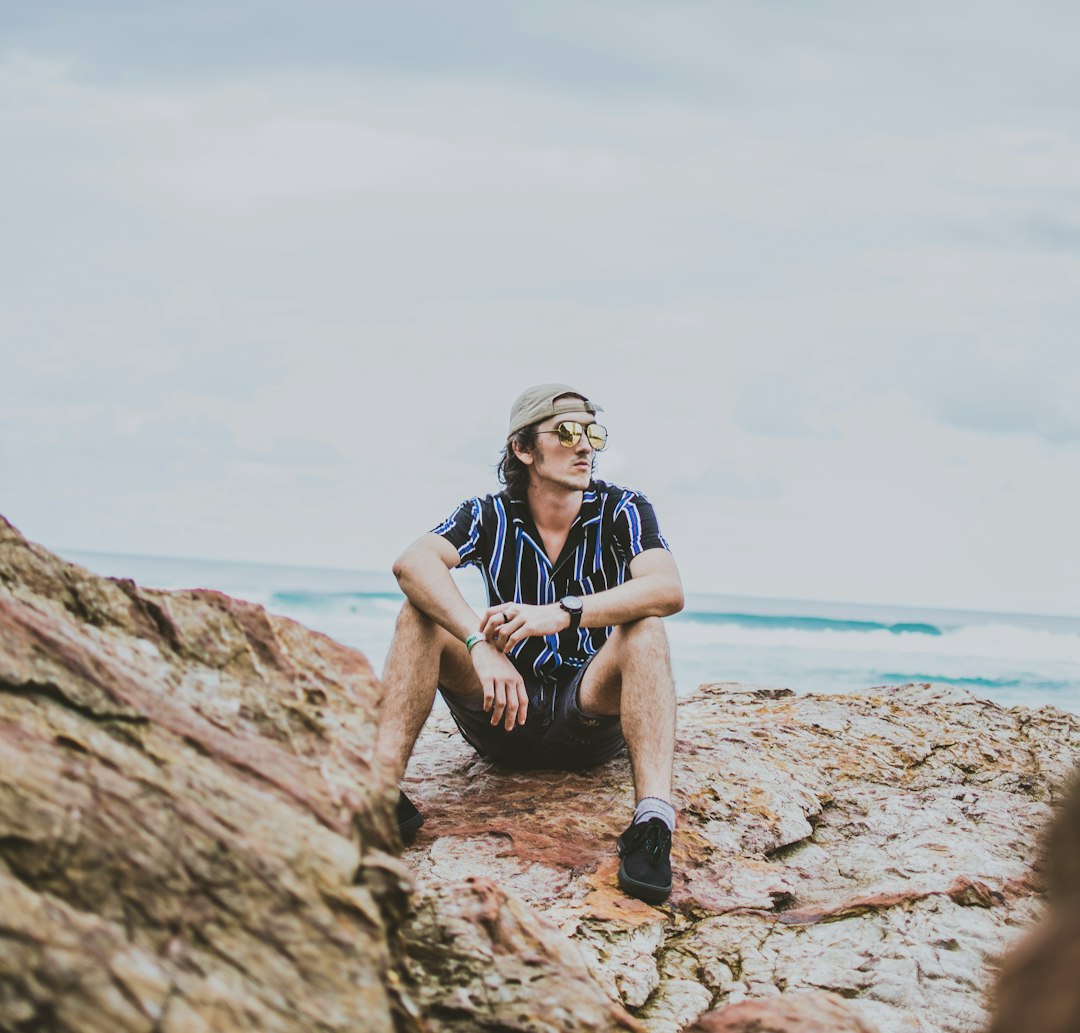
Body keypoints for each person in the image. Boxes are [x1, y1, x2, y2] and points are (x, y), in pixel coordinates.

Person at [373, 383, 684, 903]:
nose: (584, 445)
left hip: (586, 716)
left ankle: (652, 825)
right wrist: (479, 643)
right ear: (523, 448)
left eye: (592, 432)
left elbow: (666, 589)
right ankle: (379, 790)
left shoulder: (623, 509)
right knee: (418, 613)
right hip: (504, 712)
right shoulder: (488, 514)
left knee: (647, 628)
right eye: (566, 432)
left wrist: (564, 613)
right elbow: (413, 563)